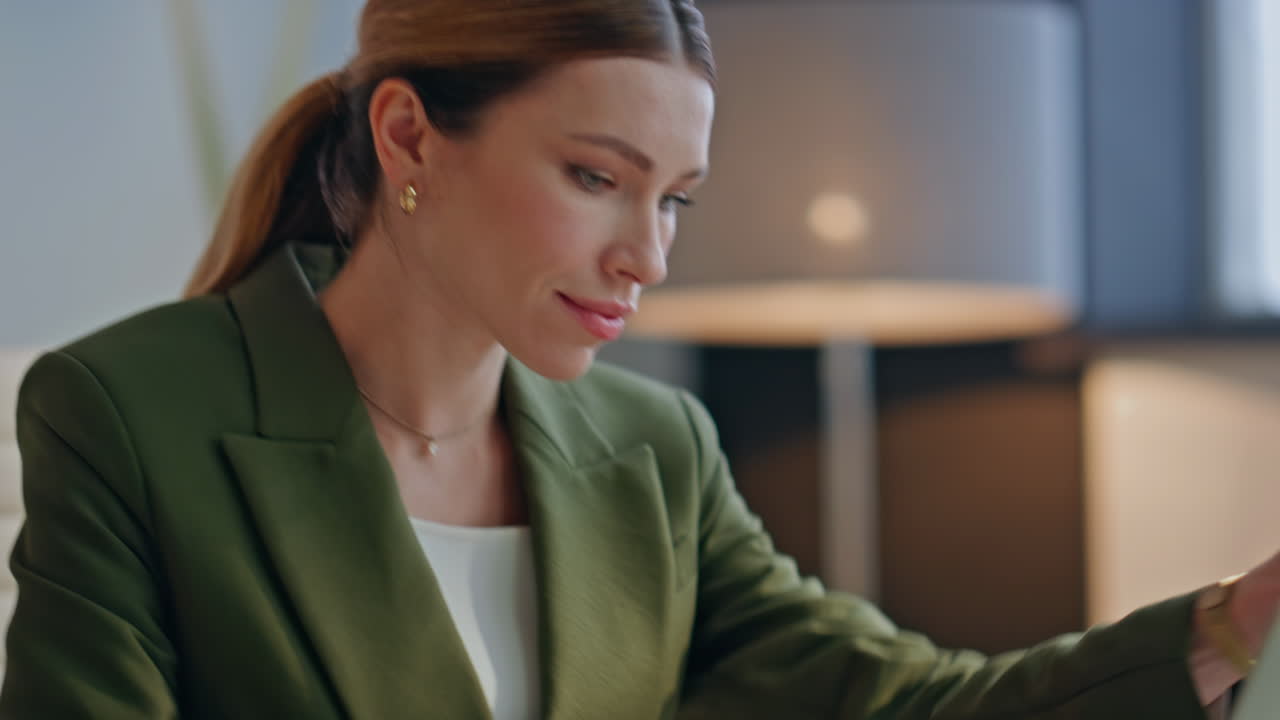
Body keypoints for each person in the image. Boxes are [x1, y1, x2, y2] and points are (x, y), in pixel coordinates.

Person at [2, 1, 1276, 718]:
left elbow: (907, 707)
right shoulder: (124, 413)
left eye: (675, 200)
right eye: (596, 178)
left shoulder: (653, 452)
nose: (646, 258)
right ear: (409, 138)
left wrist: (1231, 624)